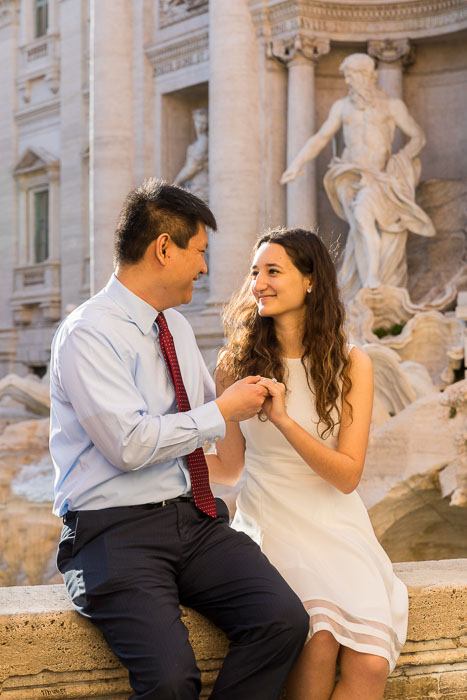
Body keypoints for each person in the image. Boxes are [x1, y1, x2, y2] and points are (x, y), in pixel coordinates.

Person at [50, 180, 309, 700]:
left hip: (194, 522)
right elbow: (130, 445)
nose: (206, 268)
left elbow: (213, 437)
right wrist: (222, 409)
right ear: (163, 249)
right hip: (112, 533)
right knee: (171, 679)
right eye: (200, 252)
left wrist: (250, 393)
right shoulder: (88, 334)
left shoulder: (177, 328)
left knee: (283, 620)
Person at [209, 227, 408, 699]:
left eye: (273, 271)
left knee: (371, 663)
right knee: (317, 642)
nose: (258, 283)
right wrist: (164, 450)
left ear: (311, 280)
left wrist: (282, 420)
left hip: (337, 526)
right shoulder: (233, 365)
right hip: (270, 521)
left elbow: (347, 475)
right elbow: (231, 466)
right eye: (255, 272)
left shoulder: (352, 363)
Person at [280, 53, 435, 300]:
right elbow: (321, 137)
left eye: (352, 75)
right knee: (362, 218)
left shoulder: (391, 105)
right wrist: (297, 164)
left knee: (364, 222)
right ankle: (371, 277)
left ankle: (368, 280)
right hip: (348, 175)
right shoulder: (342, 107)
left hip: (378, 176)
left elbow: (418, 136)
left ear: (365, 74)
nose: (349, 80)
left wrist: (402, 157)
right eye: (347, 76)